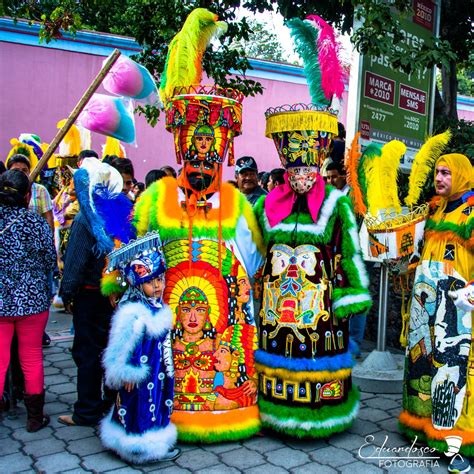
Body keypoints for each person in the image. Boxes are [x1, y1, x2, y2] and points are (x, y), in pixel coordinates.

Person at [102, 8, 264, 443]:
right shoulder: (157, 198)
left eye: (210, 159)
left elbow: (250, 261)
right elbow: (134, 253)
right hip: (167, 317)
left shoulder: (234, 203)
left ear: (221, 159)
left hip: (221, 324)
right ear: (181, 155)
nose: (201, 166)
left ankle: (224, 412)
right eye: (194, 158)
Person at [399, 153, 473, 473]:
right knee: (422, 365)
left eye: (446, 173)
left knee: (453, 373)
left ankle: (457, 445)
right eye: (437, 172)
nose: (439, 178)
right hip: (426, 305)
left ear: (461, 175)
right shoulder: (435, 209)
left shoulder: (472, 212)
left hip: (458, 310)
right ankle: (421, 427)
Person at [58, 158, 134, 427]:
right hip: (118, 294)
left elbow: (75, 262)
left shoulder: (85, 219)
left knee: (88, 353)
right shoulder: (125, 211)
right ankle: (112, 403)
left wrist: (66, 293)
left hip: (90, 295)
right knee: (113, 349)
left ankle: (87, 410)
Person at [100, 232, 180, 463]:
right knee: (139, 404)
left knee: (157, 402)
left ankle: (151, 442)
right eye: (150, 281)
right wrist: (128, 371)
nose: (157, 285)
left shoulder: (157, 307)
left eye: (160, 279)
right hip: (140, 373)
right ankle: (137, 447)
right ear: (137, 283)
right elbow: (122, 345)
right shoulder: (132, 312)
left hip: (158, 370)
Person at [0, 170, 56, 431]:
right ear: (26, 196)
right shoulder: (35, 223)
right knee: (31, 356)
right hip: (32, 300)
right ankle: (34, 418)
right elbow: (49, 261)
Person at [6, 154, 54, 231]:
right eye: (16, 170)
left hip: (35, 235)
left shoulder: (40, 190)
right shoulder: (4, 190)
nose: (21, 173)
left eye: (24, 170)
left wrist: (49, 237)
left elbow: (48, 217)